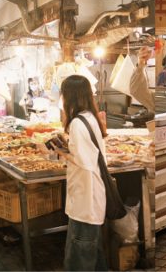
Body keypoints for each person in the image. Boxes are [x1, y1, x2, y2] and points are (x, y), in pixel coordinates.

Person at [58, 74, 109, 271]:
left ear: (70, 96)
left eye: (63, 94)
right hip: (89, 197)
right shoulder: (90, 117)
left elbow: (83, 160)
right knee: (94, 256)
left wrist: (58, 151)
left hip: (85, 201)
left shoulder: (78, 123)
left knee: (79, 260)